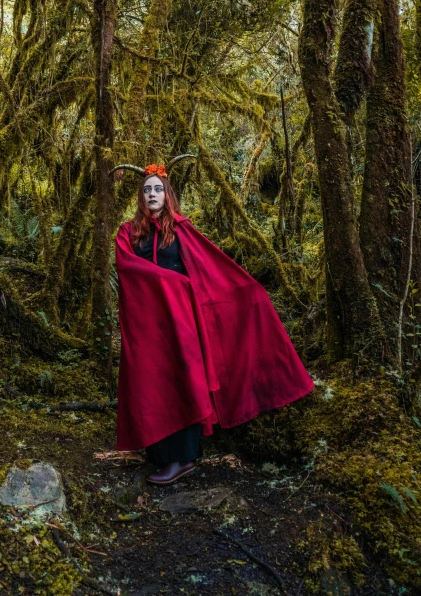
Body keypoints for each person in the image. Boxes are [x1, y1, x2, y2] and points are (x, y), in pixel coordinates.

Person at [114, 158, 313, 485]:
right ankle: (160, 454)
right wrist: (173, 282)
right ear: (140, 196)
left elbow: (209, 269)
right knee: (152, 381)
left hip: (182, 321)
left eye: (158, 190)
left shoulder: (181, 230)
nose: (152, 195)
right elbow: (128, 267)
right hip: (149, 326)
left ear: (167, 195)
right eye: (147, 190)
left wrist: (247, 292)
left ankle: (185, 458)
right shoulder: (129, 232)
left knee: (184, 377)